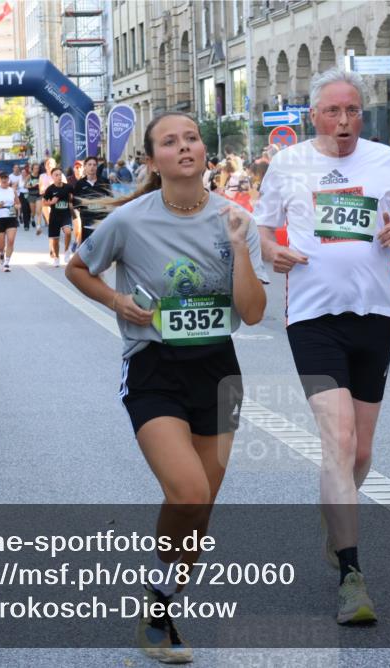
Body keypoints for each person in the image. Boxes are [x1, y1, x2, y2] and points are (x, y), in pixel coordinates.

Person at [66, 111, 267, 663]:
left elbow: (252, 314)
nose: (184, 147)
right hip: (154, 366)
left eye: (192, 139)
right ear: (153, 160)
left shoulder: (235, 217)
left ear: (205, 153)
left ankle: (162, 603)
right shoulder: (130, 221)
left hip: (219, 370)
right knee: (189, 492)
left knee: (199, 515)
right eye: (170, 142)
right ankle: (159, 606)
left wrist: (242, 247)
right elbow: (78, 268)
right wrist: (117, 301)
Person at [254, 68, 390, 625]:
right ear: (315, 115)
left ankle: (336, 509)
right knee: (339, 439)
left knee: (360, 453)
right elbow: (262, 230)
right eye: (334, 111)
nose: (345, 120)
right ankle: (352, 574)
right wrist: (271, 253)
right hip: (312, 317)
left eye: (353, 110)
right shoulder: (288, 164)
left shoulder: (385, 160)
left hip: (374, 315)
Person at [71, 155, 112, 248]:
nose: (92, 167)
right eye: (89, 164)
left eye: (94, 165)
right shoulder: (80, 184)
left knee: (102, 247)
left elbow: (111, 199)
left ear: (97, 167)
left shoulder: (104, 181)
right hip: (87, 222)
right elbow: (76, 203)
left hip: (102, 221)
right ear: (85, 166)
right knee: (88, 249)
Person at [42, 167, 76, 267]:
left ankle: (66, 251)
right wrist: (51, 202)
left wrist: (72, 201)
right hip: (54, 216)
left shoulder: (68, 187)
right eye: (56, 175)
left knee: (68, 232)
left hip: (65, 214)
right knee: (55, 240)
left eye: (60, 174)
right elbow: (43, 202)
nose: (59, 176)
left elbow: (74, 197)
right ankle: (56, 257)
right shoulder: (50, 189)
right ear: (52, 177)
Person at [26, 163, 42, 233]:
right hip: (31, 195)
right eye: (35, 168)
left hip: (39, 195)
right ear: (32, 169)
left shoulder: (40, 176)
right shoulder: (29, 176)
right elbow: (25, 185)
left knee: (38, 211)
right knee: (33, 212)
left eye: (38, 168)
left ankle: (38, 225)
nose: (37, 170)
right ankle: (32, 218)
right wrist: (32, 185)